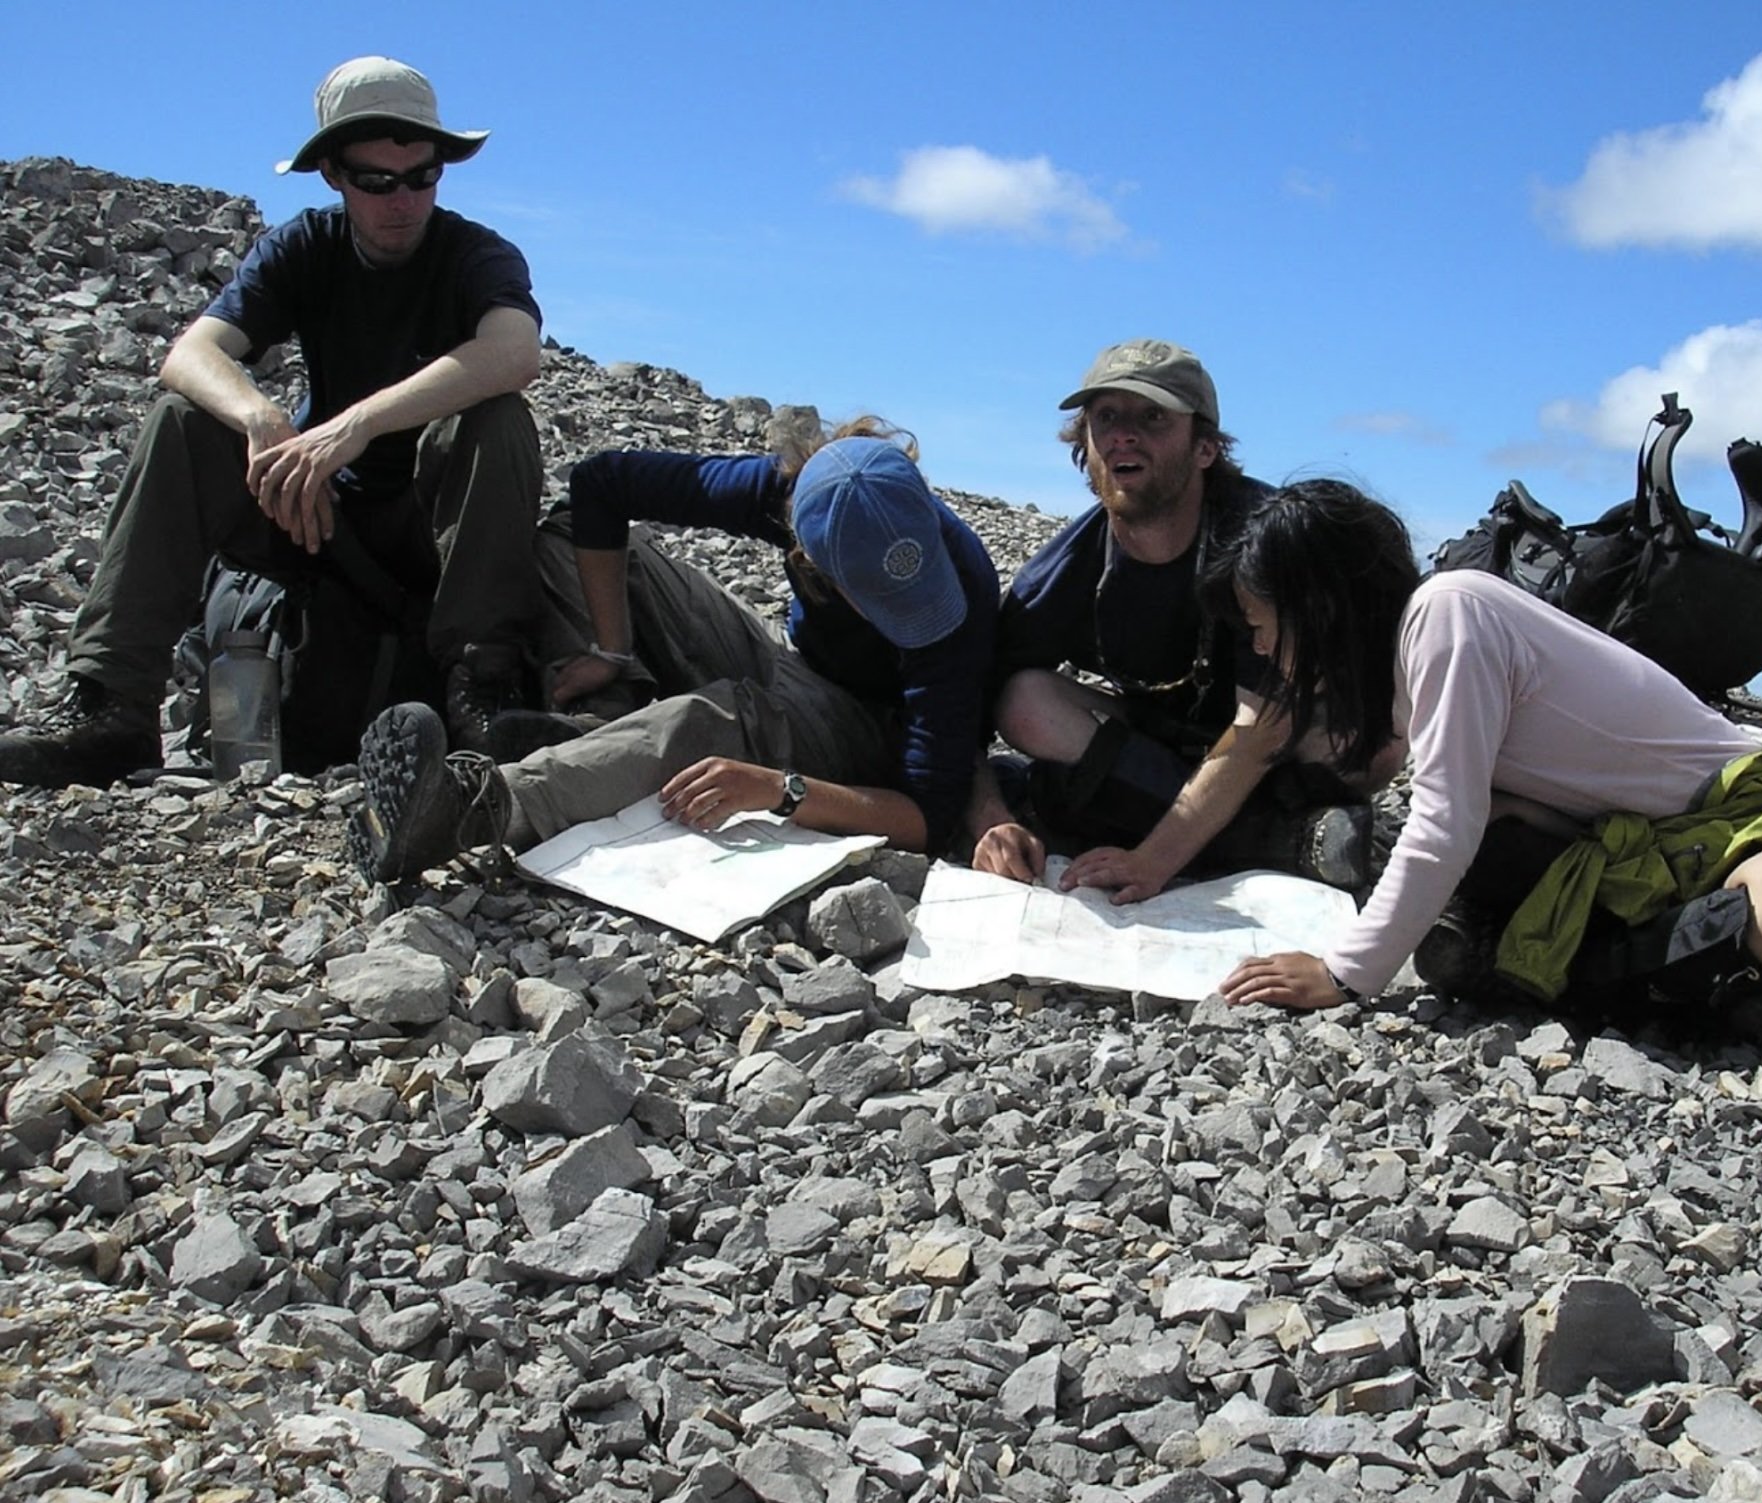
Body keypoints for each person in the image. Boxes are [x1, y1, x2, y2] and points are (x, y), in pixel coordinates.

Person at [0, 55, 545, 786]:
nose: (401, 201)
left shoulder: (474, 254)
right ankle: (112, 706)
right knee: (182, 423)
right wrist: (264, 421)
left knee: (495, 421)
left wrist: (354, 426)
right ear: (334, 176)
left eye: (421, 178)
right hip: (310, 514)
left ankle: (482, 692)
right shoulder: (305, 246)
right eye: (376, 182)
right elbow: (191, 355)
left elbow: (513, 351)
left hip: (425, 530)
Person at [1211, 479, 1762, 1017]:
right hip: (1624, 848)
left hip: (1732, 819)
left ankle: (1586, 975)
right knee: (1489, 848)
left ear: (1318, 609)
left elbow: (1443, 824)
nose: (1262, 647)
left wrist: (1345, 974)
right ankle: (1687, 977)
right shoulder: (1402, 671)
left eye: (1264, 626)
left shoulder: (1447, 615)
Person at [349, 423, 999, 883]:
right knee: (571, 535)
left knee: (721, 718)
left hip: (870, 731)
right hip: (798, 662)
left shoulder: (959, 593)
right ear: (809, 552)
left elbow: (927, 817)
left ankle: (475, 810)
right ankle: (602, 724)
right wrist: (612, 647)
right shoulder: (794, 494)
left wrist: (781, 790)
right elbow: (602, 485)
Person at [970, 339, 1389, 899]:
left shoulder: (1263, 544)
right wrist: (991, 818)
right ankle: (1286, 840)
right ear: (1086, 446)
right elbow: (968, 702)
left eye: (1153, 418)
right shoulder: (1062, 573)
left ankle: (1176, 818)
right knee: (1022, 699)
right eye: (1106, 418)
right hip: (1156, 736)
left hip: (1276, 729)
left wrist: (1154, 859)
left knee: (1366, 746)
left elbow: (1259, 728)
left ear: (1205, 448)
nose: (1124, 434)